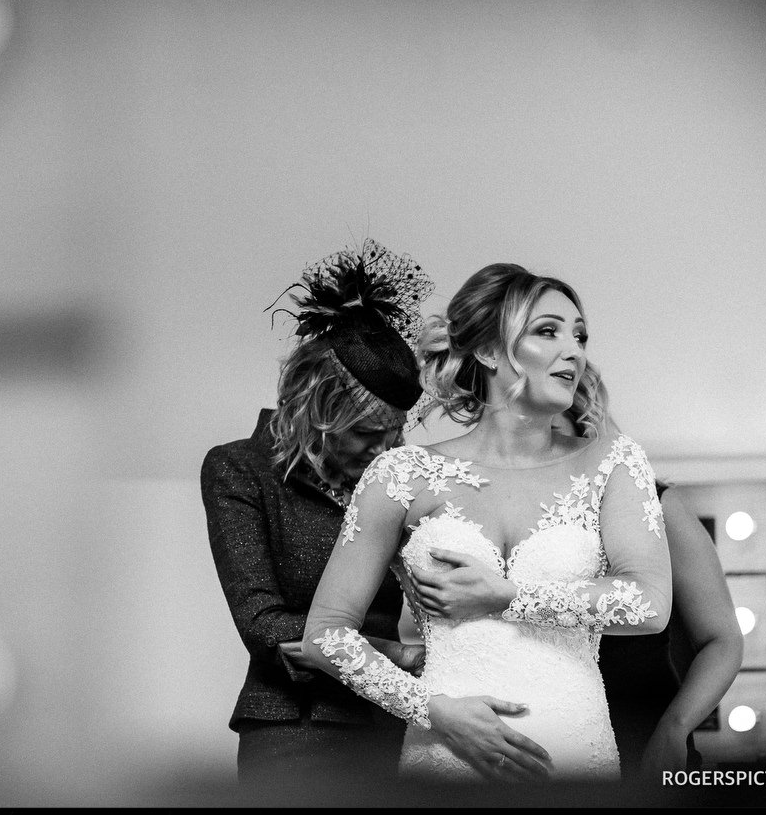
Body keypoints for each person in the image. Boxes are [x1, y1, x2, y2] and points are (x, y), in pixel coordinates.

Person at [302, 262, 673, 784]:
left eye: (580, 335)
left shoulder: (615, 463)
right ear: (490, 350)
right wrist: (432, 709)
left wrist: (507, 596)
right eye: (548, 331)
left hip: (573, 756)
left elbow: (649, 605)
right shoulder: (400, 474)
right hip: (446, 757)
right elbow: (325, 635)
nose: (574, 350)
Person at [203, 239, 551, 790]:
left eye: (393, 435)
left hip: (398, 722)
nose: (382, 450)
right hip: (297, 731)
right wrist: (399, 655)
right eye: (367, 434)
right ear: (316, 410)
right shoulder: (239, 469)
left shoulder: (391, 475)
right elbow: (264, 625)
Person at [407, 409, 743, 781]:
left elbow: (722, 640)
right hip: (543, 725)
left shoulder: (657, 505)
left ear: (584, 439)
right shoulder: (485, 500)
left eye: (552, 436)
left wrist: (675, 728)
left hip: (645, 720)